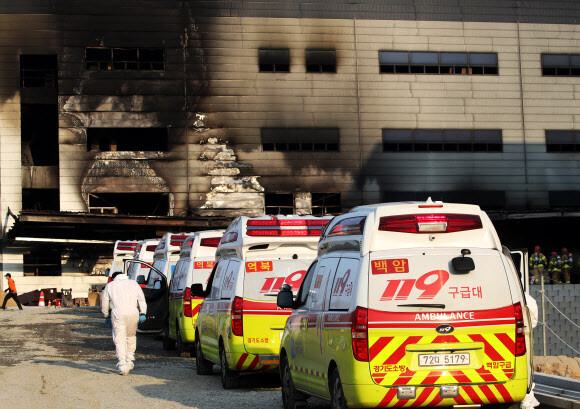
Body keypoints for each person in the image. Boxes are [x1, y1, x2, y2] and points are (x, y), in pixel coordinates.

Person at [101, 272, 147, 375]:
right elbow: (141, 299)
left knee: (120, 337)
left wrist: (106, 315)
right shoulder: (134, 283)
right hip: (133, 312)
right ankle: (130, 359)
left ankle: (122, 363)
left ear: (114, 278)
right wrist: (143, 312)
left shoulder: (110, 285)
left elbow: (104, 302)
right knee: (131, 336)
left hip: (118, 313)